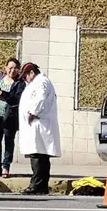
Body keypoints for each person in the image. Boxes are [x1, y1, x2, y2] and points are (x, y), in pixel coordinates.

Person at [18, 62, 61, 195]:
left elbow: (40, 98)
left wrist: (33, 112)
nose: (25, 79)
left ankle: (36, 185)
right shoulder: (38, 82)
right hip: (38, 124)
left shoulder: (41, 82)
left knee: (37, 155)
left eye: (25, 76)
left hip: (38, 124)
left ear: (31, 73)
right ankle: (41, 185)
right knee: (40, 155)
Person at [0, 57, 25, 177]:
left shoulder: (20, 83)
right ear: (5, 68)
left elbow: (16, 99)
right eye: (10, 68)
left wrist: (3, 93)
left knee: (8, 142)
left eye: (15, 68)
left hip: (10, 117)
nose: (12, 70)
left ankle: (6, 167)